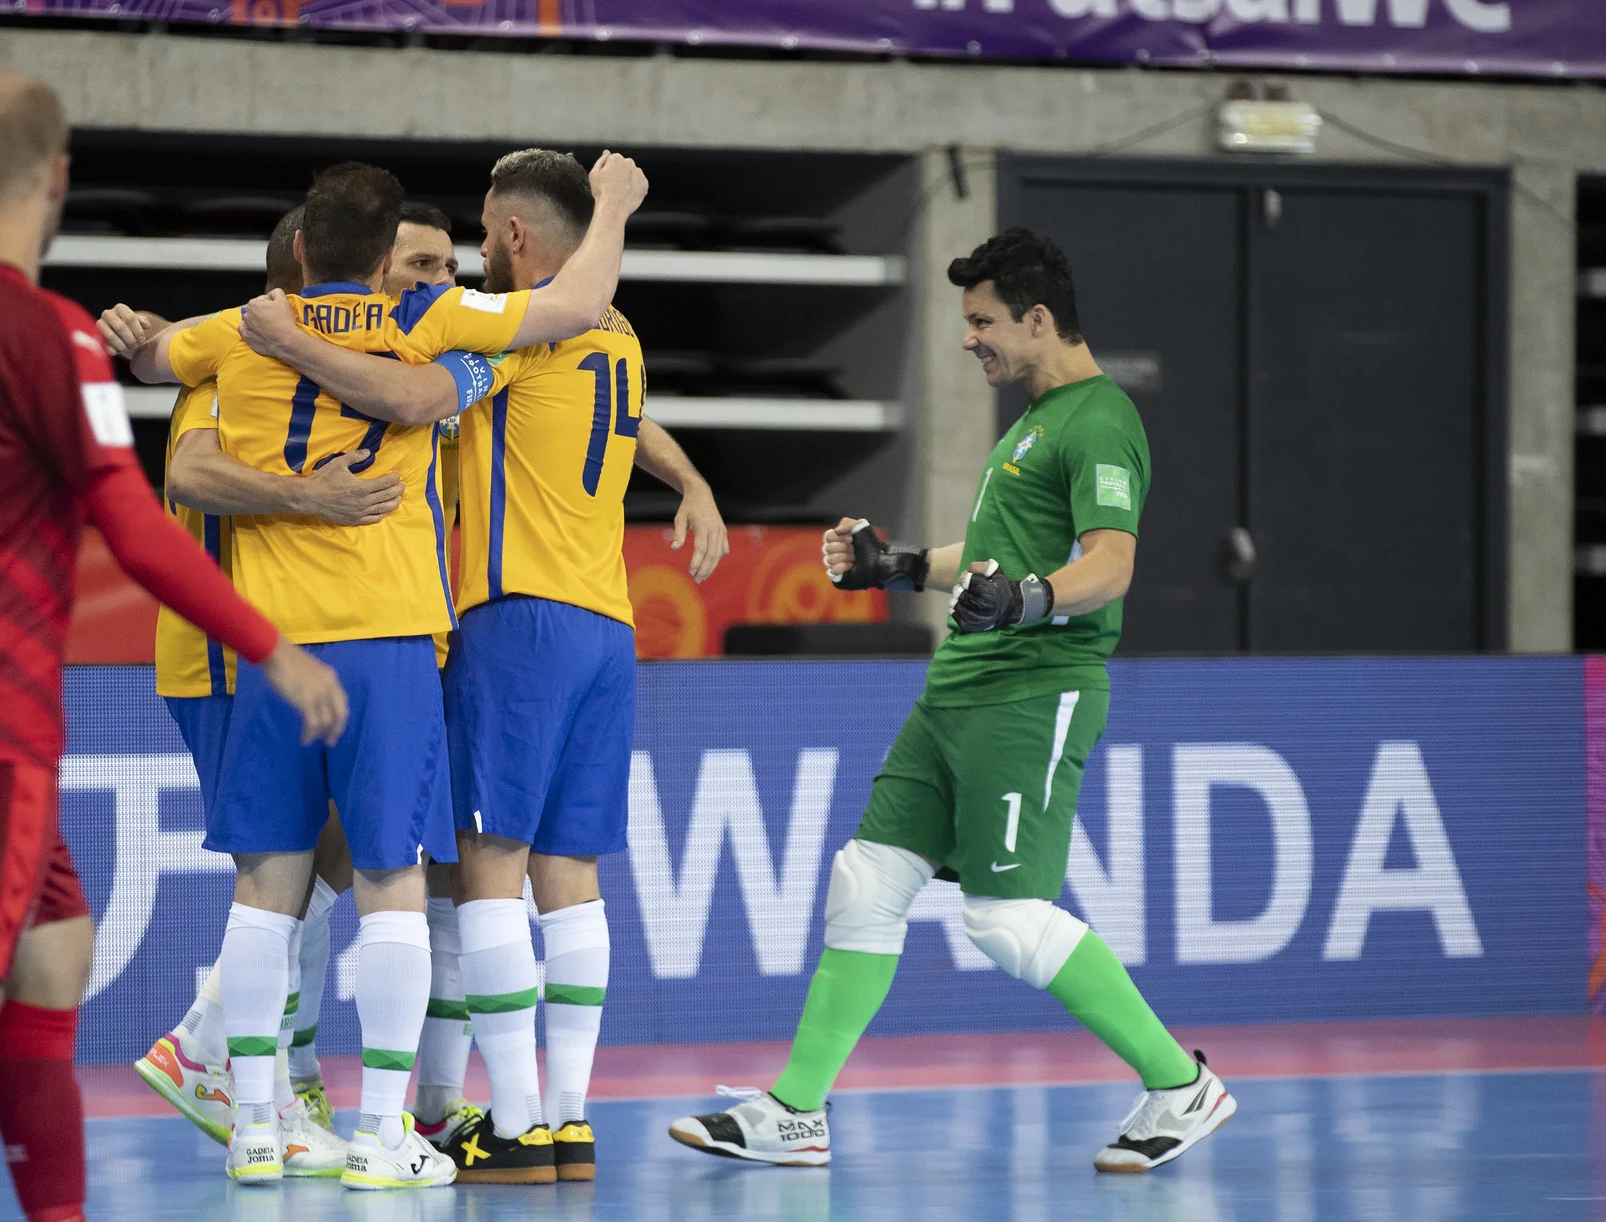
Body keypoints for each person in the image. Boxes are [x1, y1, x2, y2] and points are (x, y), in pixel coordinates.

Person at [0, 72, 347, 1222]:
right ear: (57, 181)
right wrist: (271, 646)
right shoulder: (44, 334)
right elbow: (135, 524)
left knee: (54, 952)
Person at [116, 152, 651, 1189]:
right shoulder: (438, 324)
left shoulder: (241, 333)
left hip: (272, 646)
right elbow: (566, 306)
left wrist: (145, 336)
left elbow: (151, 366)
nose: (442, 270)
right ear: (380, 263)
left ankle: (262, 1124)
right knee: (392, 882)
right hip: (394, 638)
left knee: (273, 884)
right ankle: (377, 1130)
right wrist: (617, 206)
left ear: (305, 251)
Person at [666, 227, 1236, 1174]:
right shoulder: (1030, 422)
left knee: (1006, 919)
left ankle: (1180, 1082)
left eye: (982, 321)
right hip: (957, 692)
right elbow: (986, 568)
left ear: (1039, 318)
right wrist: (894, 566)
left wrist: (1032, 600)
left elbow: (1110, 564)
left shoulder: (1097, 421)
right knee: (868, 879)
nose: (969, 338)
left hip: (1031, 692)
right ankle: (795, 1111)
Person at [234, 147, 727, 1183]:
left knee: (485, 868)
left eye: (480, 232)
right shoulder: (617, 332)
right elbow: (628, 419)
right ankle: (568, 1116)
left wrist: (286, 335)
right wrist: (694, 480)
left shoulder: (508, 326)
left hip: (511, 616)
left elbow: (408, 398)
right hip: (606, 622)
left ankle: (511, 1122)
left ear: (510, 237)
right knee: (572, 877)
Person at [125, 203, 401, 1163]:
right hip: (226, 653)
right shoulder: (229, 364)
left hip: (297, 643)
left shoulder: (345, 368)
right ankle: (222, 1052)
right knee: (283, 863)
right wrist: (313, 496)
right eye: (407, 263)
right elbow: (194, 477)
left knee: (326, 854)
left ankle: (278, 1070)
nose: (415, 281)